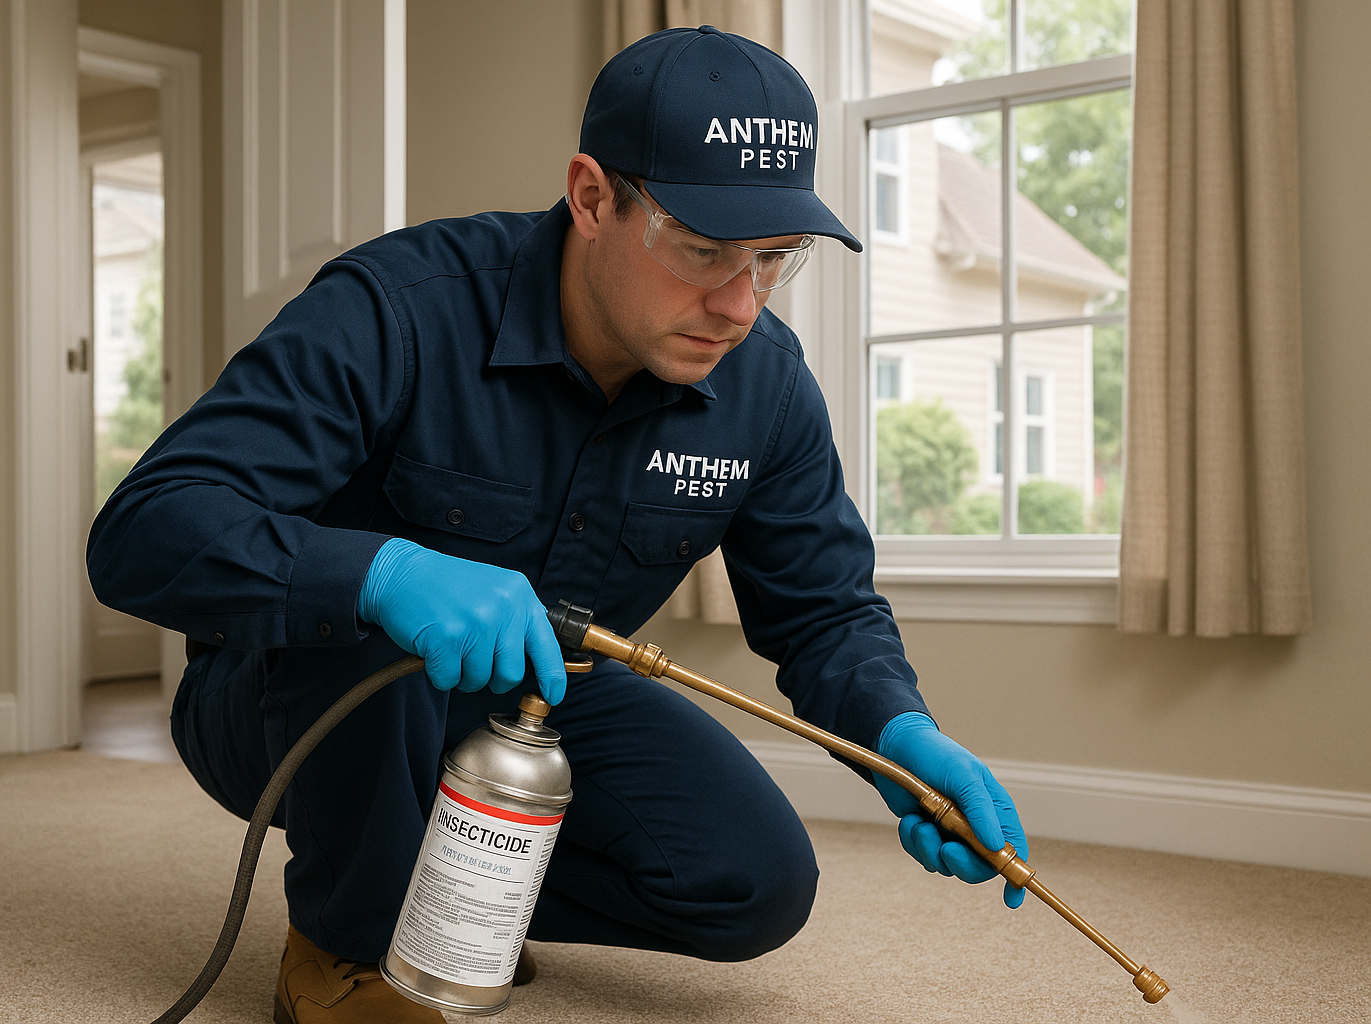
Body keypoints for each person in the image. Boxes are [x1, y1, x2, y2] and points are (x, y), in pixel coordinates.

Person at [88, 25, 1028, 1024]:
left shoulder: (769, 388)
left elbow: (824, 612)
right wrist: (385, 573)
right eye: (705, 251)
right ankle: (345, 950)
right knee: (369, 634)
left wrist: (903, 735)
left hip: (532, 705)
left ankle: (451, 897)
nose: (739, 304)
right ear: (590, 196)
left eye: (773, 260)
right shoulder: (397, 309)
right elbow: (144, 528)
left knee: (753, 882)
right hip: (298, 700)